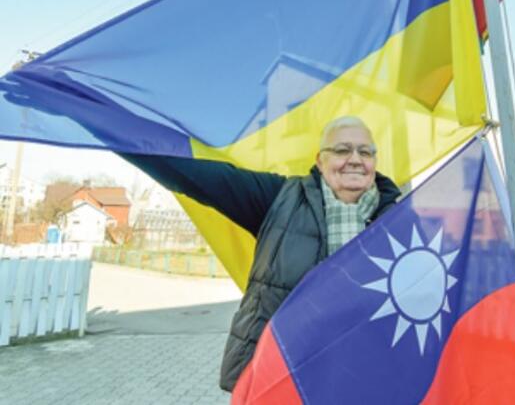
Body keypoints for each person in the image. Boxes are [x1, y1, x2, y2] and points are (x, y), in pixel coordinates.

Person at [123, 116, 400, 391]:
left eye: (366, 152)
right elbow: (193, 175)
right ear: (320, 160)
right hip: (283, 374)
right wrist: (117, 131)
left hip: (366, 375)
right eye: (342, 150)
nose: (355, 159)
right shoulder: (280, 198)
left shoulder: (400, 219)